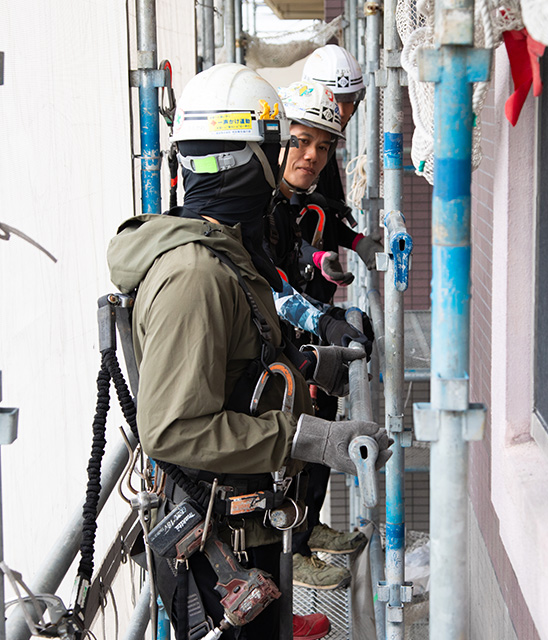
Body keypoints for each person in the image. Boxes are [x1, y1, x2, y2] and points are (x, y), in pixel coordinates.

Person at [107, 63, 391, 640]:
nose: (288, 162)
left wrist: (307, 364)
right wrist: (309, 439)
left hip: (248, 527)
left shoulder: (222, 252)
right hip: (221, 552)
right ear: (248, 160)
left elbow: (237, 363)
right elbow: (173, 429)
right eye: (276, 148)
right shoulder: (194, 275)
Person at [262, 80, 374, 592]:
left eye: (323, 147)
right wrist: (325, 322)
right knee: (283, 451)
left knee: (317, 424)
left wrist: (323, 259)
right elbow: (268, 281)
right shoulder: (258, 201)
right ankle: (291, 546)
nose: (312, 156)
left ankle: (305, 528)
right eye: (301, 141)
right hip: (267, 348)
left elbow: (296, 252)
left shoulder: (301, 200)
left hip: (290, 338)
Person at [301, 44, 383, 276]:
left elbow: (321, 212)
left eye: (349, 100)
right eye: (334, 100)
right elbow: (282, 226)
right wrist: (314, 257)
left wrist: (356, 241)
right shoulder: (292, 150)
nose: (342, 110)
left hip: (315, 277)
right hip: (294, 282)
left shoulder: (326, 146)